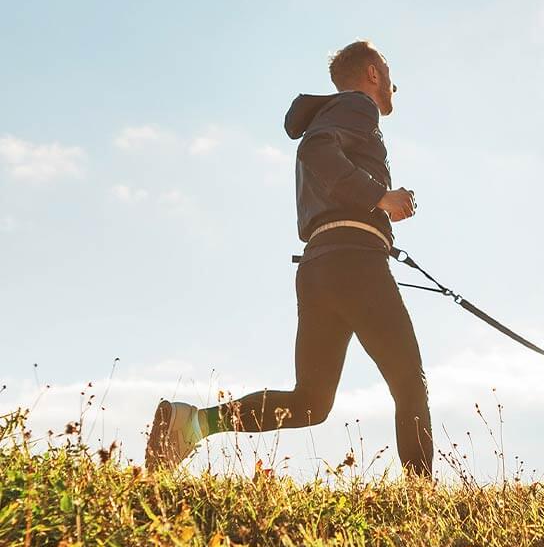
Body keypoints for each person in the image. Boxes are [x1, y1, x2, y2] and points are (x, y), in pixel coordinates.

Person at [144, 40, 433, 477]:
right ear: (373, 73)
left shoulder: (335, 113)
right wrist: (380, 197)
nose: (395, 84)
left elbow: (320, 154)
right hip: (355, 264)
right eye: (388, 72)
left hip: (320, 266)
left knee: (311, 402)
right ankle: (421, 501)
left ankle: (194, 423)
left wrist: (379, 207)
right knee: (409, 382)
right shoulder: (358, 107)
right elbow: (315, 150)